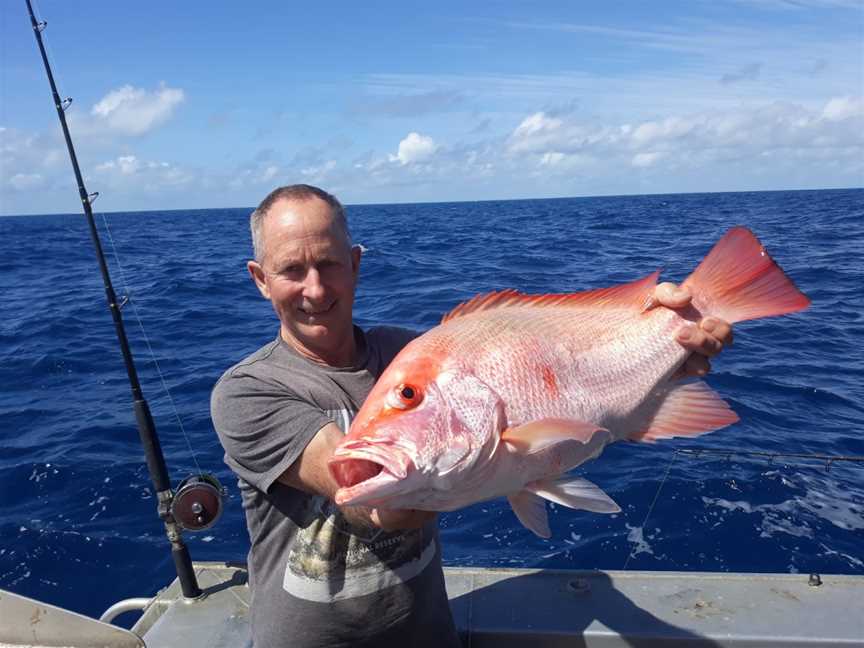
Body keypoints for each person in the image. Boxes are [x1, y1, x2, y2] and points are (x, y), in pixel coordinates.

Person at [211, 184, 733, 648]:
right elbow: (367, 502)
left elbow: (575, 405)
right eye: (291, 270)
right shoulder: (247, 392)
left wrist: (663, 358)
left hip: (427, 633)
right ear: (260, 279)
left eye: (328, 264)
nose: (315, 289)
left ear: (356, 264)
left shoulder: (405, 352)